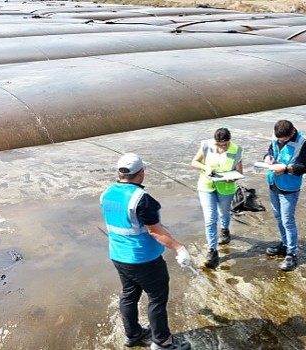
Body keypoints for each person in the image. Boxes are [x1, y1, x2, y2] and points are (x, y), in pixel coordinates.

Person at [100, 153, 192, 350]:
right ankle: (162, 342)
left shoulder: (106, 193)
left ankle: (132, 335)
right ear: (140, 173)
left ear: (119, 172)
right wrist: (179, 248)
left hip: (118, 256)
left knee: (129, 294)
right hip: (144, 259)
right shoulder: (141, 199)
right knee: (157, 299)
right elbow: (155, 232)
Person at [263, 120, 306, 271]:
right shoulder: (277, 136)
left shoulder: (304, 144)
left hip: (289, 188)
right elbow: (270, 150)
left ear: (292, 133)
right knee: (279, 218)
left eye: (283, 139)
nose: (280, 141)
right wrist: (267, 157)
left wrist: (285, 169)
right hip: (274, 183)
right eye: (278, 139)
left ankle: (292, 254)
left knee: (287, 221)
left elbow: (304, 167)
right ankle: (284, 245)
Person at [190, 127, 243, 268]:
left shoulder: (236, 150)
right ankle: (212, 250)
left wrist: (232, 178)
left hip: (226, 187)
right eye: (219, 145)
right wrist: (205, 168)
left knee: (224, 213)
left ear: (229, 141)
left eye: (225, 145)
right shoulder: (206, 145)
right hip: (206, 186)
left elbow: (239, 171)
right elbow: (194, 162)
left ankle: (225, 229)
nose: (222, 147)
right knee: (210, 218)